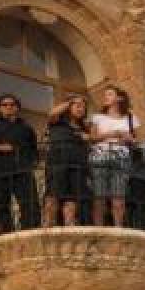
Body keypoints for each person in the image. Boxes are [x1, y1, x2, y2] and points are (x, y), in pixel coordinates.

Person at [0, 93, 39, 234]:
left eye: (12, 104)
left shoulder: (26, 128)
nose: (9, 107)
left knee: (29, 203)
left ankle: (29, 232)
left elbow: (33, 149)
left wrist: (31, 162)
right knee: (0, 205)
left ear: (17, 108)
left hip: (22, 170)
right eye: (5, 104)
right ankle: (6, 233)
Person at [88, 85, 139, 227]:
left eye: (109, 94)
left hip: (121, 157)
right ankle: (98, 229)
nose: (105, 97)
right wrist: (112, 134)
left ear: (119, 98)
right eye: (105, 95)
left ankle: (118, 228)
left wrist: (128, 139)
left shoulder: (130, 117)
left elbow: (135, 140)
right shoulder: (97, 117)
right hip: (99, 156)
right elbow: (91, 138)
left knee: (119, 198)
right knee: (99, 197)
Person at [43, 95, 92, 227]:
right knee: (53, 193)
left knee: (72, 198)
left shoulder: (84, 127)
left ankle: (69, 225)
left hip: (77, 164)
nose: (80, 108)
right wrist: (71, 100)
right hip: (58, 161)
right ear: (68, 106)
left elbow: (89, 145)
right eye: (77, 105)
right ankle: (47, 225)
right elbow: (51, 113)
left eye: (83, 106)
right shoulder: (57, 121)